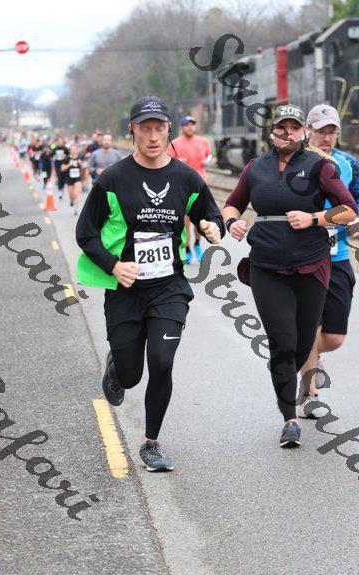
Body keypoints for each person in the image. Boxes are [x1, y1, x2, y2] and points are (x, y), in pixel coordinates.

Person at [76, 95, 224, 471]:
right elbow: (85, 233)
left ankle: (151, 443)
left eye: (160, 128)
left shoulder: (186, 178)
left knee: (161, 360)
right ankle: (117, 367)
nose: (153, 137)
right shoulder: (112, 179)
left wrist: (212, 227)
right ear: (133, 131)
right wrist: (114, 266)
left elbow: (211, 214)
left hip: (168, 288)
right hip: (125, 291)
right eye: (146, 129)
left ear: (169, 130)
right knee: (131, 374)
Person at [222, 104, 357, 448]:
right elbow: (233, 203)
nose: (287, 133)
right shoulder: (255, 167)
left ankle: (290, 381)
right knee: (282, 343)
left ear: (302, 132)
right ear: (272, 132)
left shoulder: (321, 166)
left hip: (312, 265)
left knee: (301, 342)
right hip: (267, 267)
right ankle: (289, 419)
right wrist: (232, 221)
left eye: (294, 128)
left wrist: (314, 219)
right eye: (281, 128)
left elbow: (348, 210)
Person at [297, 104, 359, 416]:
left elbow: (356, 203)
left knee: (333, 337)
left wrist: (355, 221)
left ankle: (302, 352)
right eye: (321, 131)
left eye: (332, 131)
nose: (326, 137)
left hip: (339, 256)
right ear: (307, 131)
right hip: (304, 257)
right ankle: (309, 394)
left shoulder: (348, 164)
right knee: (311, 325)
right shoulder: (295, 162)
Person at [167, 115, 212, 264]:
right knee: (185, 221)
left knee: (200, 220)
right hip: (182, 187)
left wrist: (208, 160)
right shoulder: (175, 143)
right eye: (187, 125)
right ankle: (186, 249)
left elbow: (209, 155)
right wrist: (176, 163)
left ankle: (197, 245)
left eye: (192, 124)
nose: (190, 127)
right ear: (182, 127)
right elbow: (167, 161)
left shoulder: (203, 141)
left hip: (200, 186)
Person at [61, 144, 83, 215]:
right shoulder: (66, 159)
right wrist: (69, 165)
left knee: (76, 193)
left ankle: (76, 209)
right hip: (69, 179)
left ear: (77, 150)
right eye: (72, 150)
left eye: (75, 149)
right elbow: (62, 168)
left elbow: (84, 167)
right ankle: (71, 199)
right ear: (70, 151)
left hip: (78, 179)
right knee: (71, 195)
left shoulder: (79, 158)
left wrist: (81, 164)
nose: (73, 151)